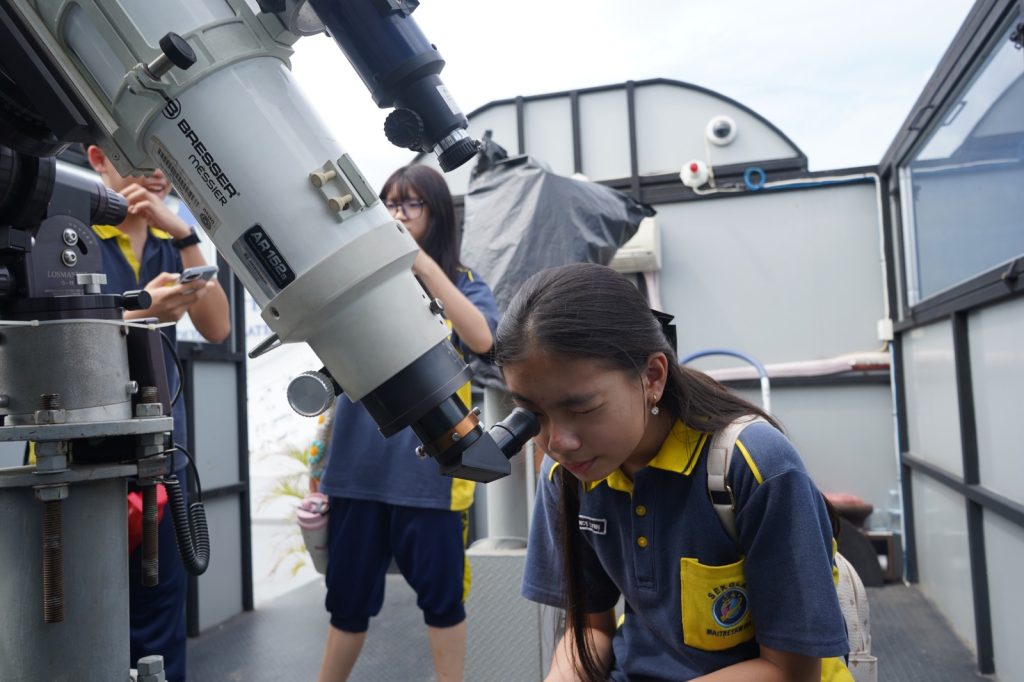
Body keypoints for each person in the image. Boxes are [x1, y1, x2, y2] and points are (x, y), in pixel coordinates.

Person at [496, 262, 852, 681]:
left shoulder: (753, 466)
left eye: (582, 408)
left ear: (652, 376)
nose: (558, 442)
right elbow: (592, 628)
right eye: (532, 414)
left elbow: (791, 671)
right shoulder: (567, 477)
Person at [314, 165, 499, 682]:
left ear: (436, 214)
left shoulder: (462, 282)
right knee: (346, 603)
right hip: (356, 470)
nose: (398, 214)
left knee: (443, 602)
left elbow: (483, 338)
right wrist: (318, 468)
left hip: (432, 476)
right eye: (390, 204)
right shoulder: (360, 280)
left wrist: (421, 265)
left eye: (411, 204)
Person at [87, 145, 231, 682]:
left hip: (164, 454)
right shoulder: (68, 235)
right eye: (139, 156)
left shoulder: (172, 245)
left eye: (164, 161)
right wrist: (138, 313)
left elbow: (218, 327)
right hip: (85, 454)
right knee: (82, 614)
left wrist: (186, 235)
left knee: (161, 615)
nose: (155, 174)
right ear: (98, 157)